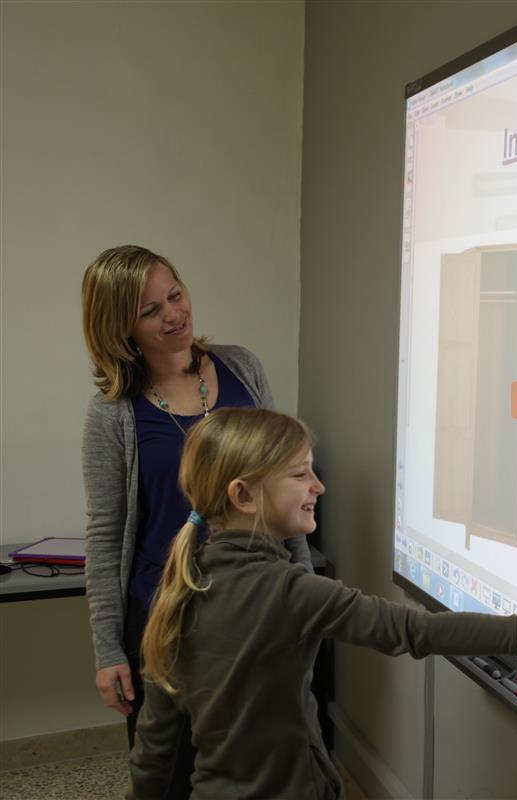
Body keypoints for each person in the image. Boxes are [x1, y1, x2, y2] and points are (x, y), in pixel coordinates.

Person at [129, 407, 517, 799]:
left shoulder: (180, 590)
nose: (318, 486)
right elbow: (417, 631)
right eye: (299, 474)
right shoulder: (289, 591)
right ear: (243, 496)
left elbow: (157, 743)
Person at [80, 245, 312, 790]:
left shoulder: (242, 369)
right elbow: (106, 535)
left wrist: (302, 581)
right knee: (172, 773)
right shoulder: (112, 413)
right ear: (120, 327)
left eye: (175, 295)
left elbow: (285, 480)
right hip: (167, 619)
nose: (174, 315)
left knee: (267, 767)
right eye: (150, 310)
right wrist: (108, 651)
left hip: (258, 604)